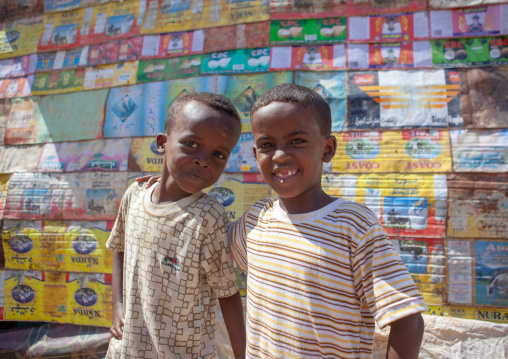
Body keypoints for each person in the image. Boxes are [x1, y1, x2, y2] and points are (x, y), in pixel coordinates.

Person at [229, 83, 427, 358]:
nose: (280, 154)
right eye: (267, 145)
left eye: (297, 141)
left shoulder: (353, 225)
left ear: (327, 148)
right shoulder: (255, 220)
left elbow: (407, 319)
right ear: (255, 155)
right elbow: (207, 243)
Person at [106, 92, 246, 359]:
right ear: (162, 143)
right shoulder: (134, 196)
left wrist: (241, 355)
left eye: (218, 154)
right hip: (126, 348)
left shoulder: (208, 217)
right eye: (192, 143)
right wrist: (118, 305)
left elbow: (228, 293)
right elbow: (119, 246)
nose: (204, 160)